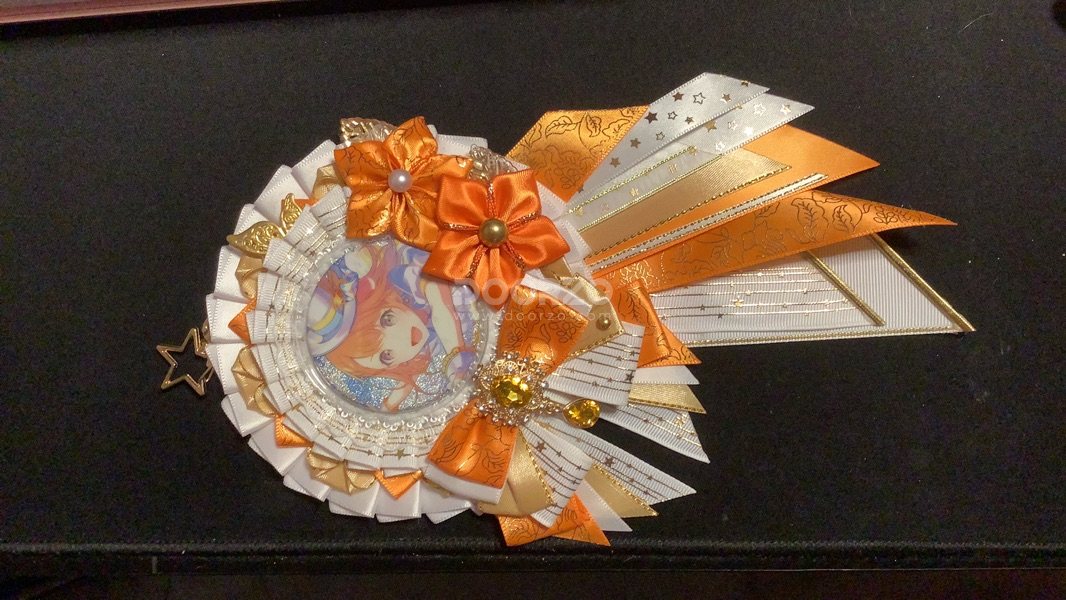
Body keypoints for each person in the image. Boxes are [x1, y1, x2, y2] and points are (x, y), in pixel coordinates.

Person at [308, 240, 475, 412]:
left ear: (384, 300)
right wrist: (388, 407)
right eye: (386, 356)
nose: (404, 340)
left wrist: (456, 353)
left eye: (388, 320)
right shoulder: (424, 347)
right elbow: (409, 378)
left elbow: (438, 298)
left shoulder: (404, 279)